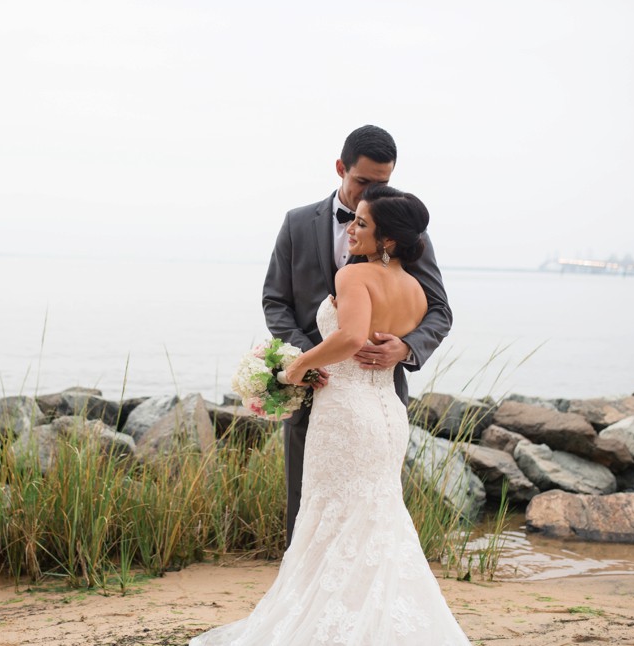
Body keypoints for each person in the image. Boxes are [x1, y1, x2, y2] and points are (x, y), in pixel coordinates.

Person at [189, 185, 469, 645]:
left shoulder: (354, 277)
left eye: (362, 224)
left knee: (327, 514)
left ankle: (325, 626)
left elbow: (352, 338)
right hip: (387, 414)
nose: (352, 230)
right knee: (377, 516)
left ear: (388, 240)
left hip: (346, 416)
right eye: (353, 220)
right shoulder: (416, 290)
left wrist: (297, 366)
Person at [263, 125, 452, 545]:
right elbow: (275, 301)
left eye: (383, 183)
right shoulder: (296, 223)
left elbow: (439, 309)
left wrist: (405, 347)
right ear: (340, 169)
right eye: (364, 181)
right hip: (313, 388)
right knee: (306, 497)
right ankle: (306, 592)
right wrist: (311, 361)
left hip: (374, 394)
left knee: (371, 505)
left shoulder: (405, 234)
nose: (373, 190)